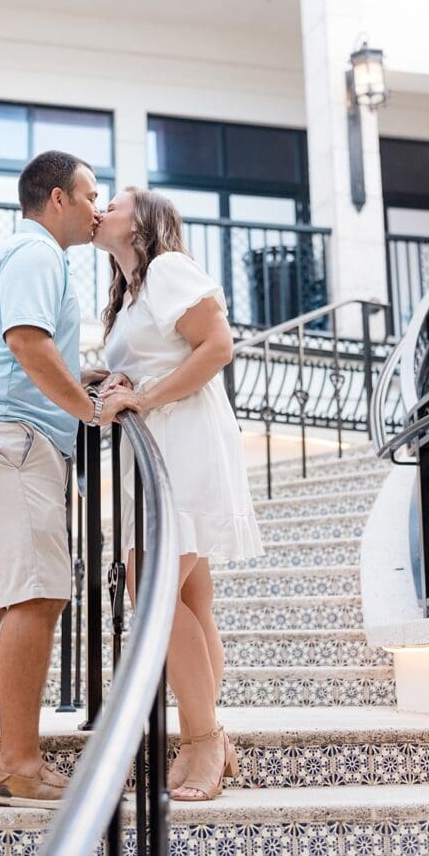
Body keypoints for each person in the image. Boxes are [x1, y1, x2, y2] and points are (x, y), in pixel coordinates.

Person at [0, 151, 141, 809]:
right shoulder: (38, 256)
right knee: (40, 596)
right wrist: (88, 407)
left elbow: (34, 351)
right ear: (56, 199)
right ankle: (19, 765)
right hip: (8, 441)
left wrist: (81, 379)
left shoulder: (23, 255)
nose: (97, 207)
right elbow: (26, 342)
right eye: (90, 194)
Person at [93, 185, 263, 802]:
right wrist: (112, 377)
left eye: (112, 202)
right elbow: (158, 357)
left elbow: (218, 347)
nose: (99, 209)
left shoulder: (166, 267)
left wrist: (143, 396)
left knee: (152, 588)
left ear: (144, 221)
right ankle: (209, 735)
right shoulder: (134, 290)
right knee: (189, 597)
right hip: (163, 449)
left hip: (187, 444)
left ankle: (202, 739)